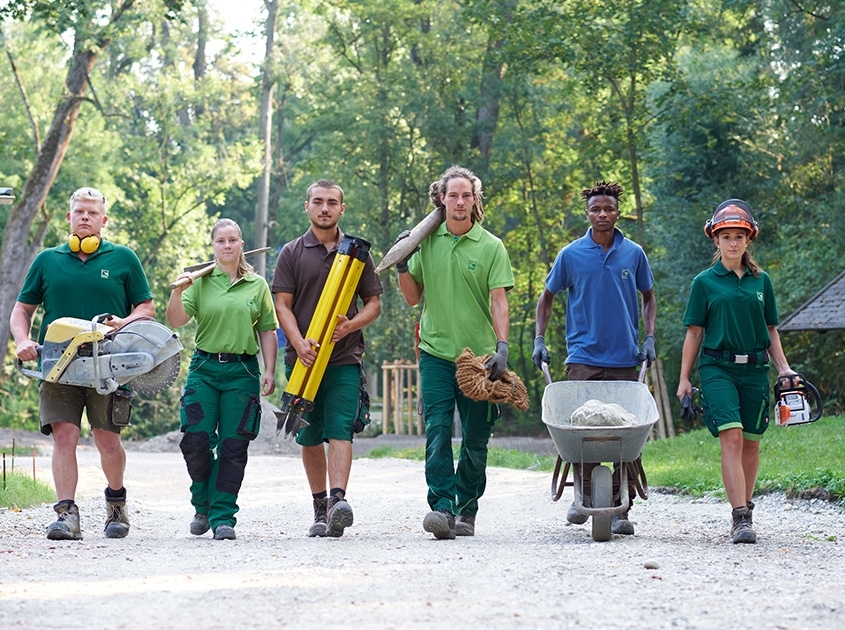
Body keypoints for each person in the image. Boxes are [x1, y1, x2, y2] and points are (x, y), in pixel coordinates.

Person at [10, 187, 155, 540]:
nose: (85, 217)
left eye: (92, 213)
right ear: (69, 217)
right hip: (58, 363)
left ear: (104, 220)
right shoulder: (47, 259)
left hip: (108, 362)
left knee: (107, 440)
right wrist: (24, 340)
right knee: (64, 436)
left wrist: (126, 321)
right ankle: (66, 514)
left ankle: (116, 503)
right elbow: (22, 310)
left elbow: (146, 308)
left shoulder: (123, 258)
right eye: (79, 212)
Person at [397, 165, 514, 540]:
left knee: (476, 437)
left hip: (478, 358)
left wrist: (502, 347)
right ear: (442, 200)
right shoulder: (426, 242)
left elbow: (499, 301)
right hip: (434, 352)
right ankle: (442, 508)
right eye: (453, 195)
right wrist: (402, 261)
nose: (460, 202)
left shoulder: (492, 246)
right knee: (437, 431)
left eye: (466, 195)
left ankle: (467, 511)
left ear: (474, 201)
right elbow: (413, 297)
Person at [533, 180, 656, 536]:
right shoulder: (571, 255)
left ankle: (621, 508)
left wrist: (648, 337)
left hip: (623, 357)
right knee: (581, 431)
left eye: (609, 209)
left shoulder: (633, 253)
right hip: (583, 357)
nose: (602, 214)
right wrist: (540, 338)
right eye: (596, 209)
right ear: (587, 214)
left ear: (618, 212)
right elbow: (547, 296)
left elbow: (648, 296)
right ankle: (585, 496)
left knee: (625, 433)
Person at [677, 199, 796, 544]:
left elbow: (771, 329)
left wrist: (784, 368)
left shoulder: (763, 282)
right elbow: (694, 332)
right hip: (717, 368)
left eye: (738, 236)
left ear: (749, 240)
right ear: (715, 240)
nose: (732, 242)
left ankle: (747, 506)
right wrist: (684, 379)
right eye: (725, 236)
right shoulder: (705, 282)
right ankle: (740, 518)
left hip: (756, 370)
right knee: (731, 436)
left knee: (751, 445)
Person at [273, 179, 383, 538]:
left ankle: (338, 502)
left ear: (341, 208)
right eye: (318, 202)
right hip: (302, 360)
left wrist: (350, 324)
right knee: (308, 437)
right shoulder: (291, 252)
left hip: (344, 359)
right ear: (307, 206)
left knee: (340, 431)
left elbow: (374, 304)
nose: (325, 208)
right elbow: (282, 305)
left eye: (332, 202)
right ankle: (319, 507)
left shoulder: (356, 254)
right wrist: (298, 341)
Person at [166, 218, 277, 541]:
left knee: (234, 445)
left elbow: (267, 330)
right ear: (213, 246)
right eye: (221, 241)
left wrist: (269, 370)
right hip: (204, 368)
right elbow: (176, 319)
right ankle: (202, 505)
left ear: (242, 244)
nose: (227, 246)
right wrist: (178, 290)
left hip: (242, 372)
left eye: (232, 240)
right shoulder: (200, 283)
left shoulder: (256, 285)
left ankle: (223, 515)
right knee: (195, 439)